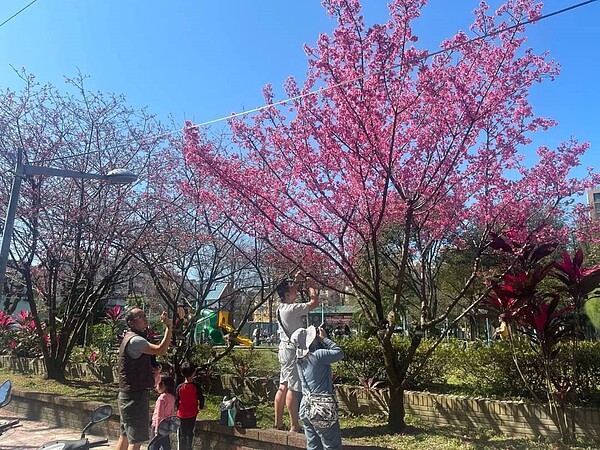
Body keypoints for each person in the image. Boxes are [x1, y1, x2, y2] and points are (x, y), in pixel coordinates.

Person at [115, 308, 173, 450]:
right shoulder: (136, 340)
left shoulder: (130, 338)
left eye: (144, 315)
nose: (144, 318)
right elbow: (161, 350)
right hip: (135, 397)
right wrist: (169, 327)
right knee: (136, 440)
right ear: (131, 322)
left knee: (125, 437)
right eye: (140, 316)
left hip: (127, 395)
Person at [274, 271, 320, 432]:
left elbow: (290, 290)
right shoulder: (292, 309)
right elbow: (314, 303)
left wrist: (296, 280)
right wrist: (312, 287)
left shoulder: (281, 308)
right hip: (293, 352)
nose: (295, 288)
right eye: (292, 287)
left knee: (283, 385)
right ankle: (294, 426)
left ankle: (278, 422)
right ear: (287, 294)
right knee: (293, 387)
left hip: (284, 349)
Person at [291, 325, 344, 450]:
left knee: (313, 446)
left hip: (306, 407)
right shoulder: (318, 355)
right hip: (321, 408)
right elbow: (339, 353)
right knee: (332, 445)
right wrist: (325, 339)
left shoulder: (300, 359)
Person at [175, 361, 205, 450]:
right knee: (190, 433)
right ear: (194, 373)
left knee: (182, 434)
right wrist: (201, 406)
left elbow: (177, 400)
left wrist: (177, 408)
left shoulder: (179, 387)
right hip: (192, 413)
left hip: (181, 414)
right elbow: (201, 398)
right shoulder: (196, 386)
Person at [149, 374, 176, 450]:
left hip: (157, 426)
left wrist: (157, 429)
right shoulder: (172, 397)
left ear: (163, 385)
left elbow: (159, 415)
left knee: (153, 446)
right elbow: (171, 413)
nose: (156, 387)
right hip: (166, 426)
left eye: (157, 384)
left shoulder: (161, 399)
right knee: (165, 445)